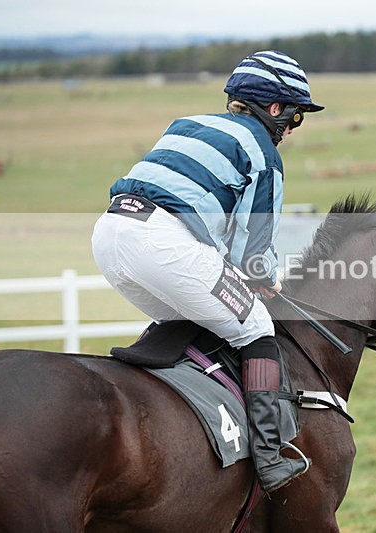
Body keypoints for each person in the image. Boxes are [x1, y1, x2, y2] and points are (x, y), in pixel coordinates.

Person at [91, 50, 324, 493]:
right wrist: (266, 279)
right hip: (163, 243)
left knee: (192, 319)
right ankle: (270, 456)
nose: (293, 128)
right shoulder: (263, 154)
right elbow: (252, 251)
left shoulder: (186, 124)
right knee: (255, 324)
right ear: (275, 108)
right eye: (295, 117)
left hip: (109, 233)